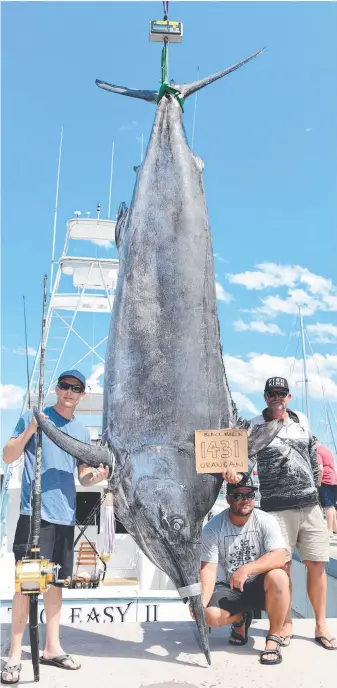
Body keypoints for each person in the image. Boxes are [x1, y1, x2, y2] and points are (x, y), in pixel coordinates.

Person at [1, 370, 109, 684]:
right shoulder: (34, 416)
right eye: (64, 386)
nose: (69, 392)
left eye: (76, 388)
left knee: (56, 585)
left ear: (82, 395)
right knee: (26, 585)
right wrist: (32, 428)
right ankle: (14, 654)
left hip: (65, 517)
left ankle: (52, 648)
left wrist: (96, 478)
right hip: (35, 516)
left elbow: (84, 475)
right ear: (57, 389)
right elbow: (8, 456)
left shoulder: (81, 430)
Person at [222, 377, 336, 650]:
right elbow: (245, 463)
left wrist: (316, 478)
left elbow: (312, 454)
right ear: (265, 396)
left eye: (281, 393)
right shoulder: (254, 426)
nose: (277, 397)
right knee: (281, 568)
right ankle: (285, 623)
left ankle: (321, 624)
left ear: (288, 396)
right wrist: (235, 475)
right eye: (272, 393)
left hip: (310, 506)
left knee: (317, 564)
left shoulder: (301, 421)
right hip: (276, 509)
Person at [194, 476, 290, 666]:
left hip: (260, 586)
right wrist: (201, 603)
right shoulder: (212, 528)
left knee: (279, 576)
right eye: (238, 495)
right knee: (209, 616)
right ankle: (240, 619)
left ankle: (273, 638)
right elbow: (209, 569)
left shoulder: (266, 520)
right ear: (228, 499)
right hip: (230, 587)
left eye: (249, 495)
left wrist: (248, 568)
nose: (245, 500)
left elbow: (280, 556)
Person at [315, 437, 337, 538]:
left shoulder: (317, 451)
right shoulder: (326, 449)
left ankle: (329, 530)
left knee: (327, 506)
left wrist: (318, 482)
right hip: (334, 478)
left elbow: (320, 468)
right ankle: (335, 528)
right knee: (332, 505)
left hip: (326, 479)